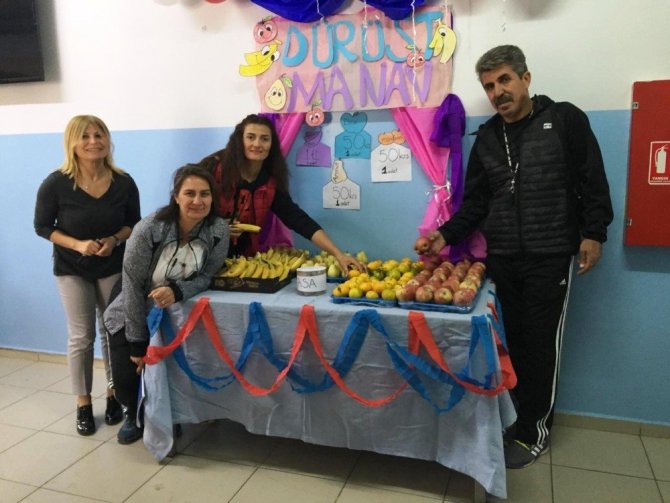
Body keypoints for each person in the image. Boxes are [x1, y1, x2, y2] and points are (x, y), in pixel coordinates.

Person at [422, 45, 613, 469]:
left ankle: (534, 432)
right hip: (504, 257)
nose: (498, 92)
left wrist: (593, 234)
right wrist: (443, 235)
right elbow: (475, 204)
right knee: (517, 344)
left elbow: (592, 180)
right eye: (489, 86)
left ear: (526, 79)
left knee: (541, 345)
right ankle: (520, 420)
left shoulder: (564, 119)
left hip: (551, 254)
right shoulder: (487, 139)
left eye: (505, 80)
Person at [103, 164, 229, 444]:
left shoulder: (218, 229)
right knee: (129, 374)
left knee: (172, 370)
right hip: (131, 307)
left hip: (174, 311)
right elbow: (132, 285)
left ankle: (169, 414)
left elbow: (207, 275)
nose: (198, 201)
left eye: (205, 194)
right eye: (190, 193)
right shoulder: (149, 228)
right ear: (176, 197)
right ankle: (132, 413)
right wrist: (137, 342)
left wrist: (178, 291)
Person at [34, 115, 141, 436]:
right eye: (85, 136)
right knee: (82, 336)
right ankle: (82, 402)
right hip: (72, 267)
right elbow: (43, 227)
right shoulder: (55, 183)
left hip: (112, 265)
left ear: (108, 140)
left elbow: (133, 224)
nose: (94, 141)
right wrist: (78, 244)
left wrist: (114, 240)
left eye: (99, 135)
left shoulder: (124, 182)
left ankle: (113, 394)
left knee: (112, 331)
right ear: (72, 143)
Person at [200, 114, 364, 274]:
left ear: (271, 145)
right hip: (202, 258)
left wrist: (338, 254)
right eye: (250, 137)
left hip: (242, 263)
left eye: (265, 139)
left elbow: (298, 219)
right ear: (239, 141)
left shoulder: (270, 183)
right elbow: (189, 209)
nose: (257, 144)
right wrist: (217, 228)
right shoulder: (214, 168)